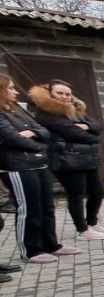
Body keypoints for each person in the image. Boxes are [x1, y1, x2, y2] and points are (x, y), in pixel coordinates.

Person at [0, 75, 76, 265]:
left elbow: (44, 131)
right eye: (10, 88)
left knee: (47, 207)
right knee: (28, 208)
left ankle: (51, 244)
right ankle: (30, 250)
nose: (15, 91)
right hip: (18, 166)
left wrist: (33, 134)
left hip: (40, 164)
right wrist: (39, 144)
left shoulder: (17, 110)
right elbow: (14, 139)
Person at [28, 79, 104, 241]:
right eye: (59, 93)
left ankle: (92, 223)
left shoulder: (75, 109)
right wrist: (88, 133)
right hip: (65, 159)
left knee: (97, 192)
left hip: (87, 159)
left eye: (67, 94)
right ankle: (83, 229)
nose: (64, 97)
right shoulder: (46, 113)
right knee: (76, 194)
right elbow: (74, 133)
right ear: (50, 93)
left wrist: (87, 127)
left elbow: (97, 126)